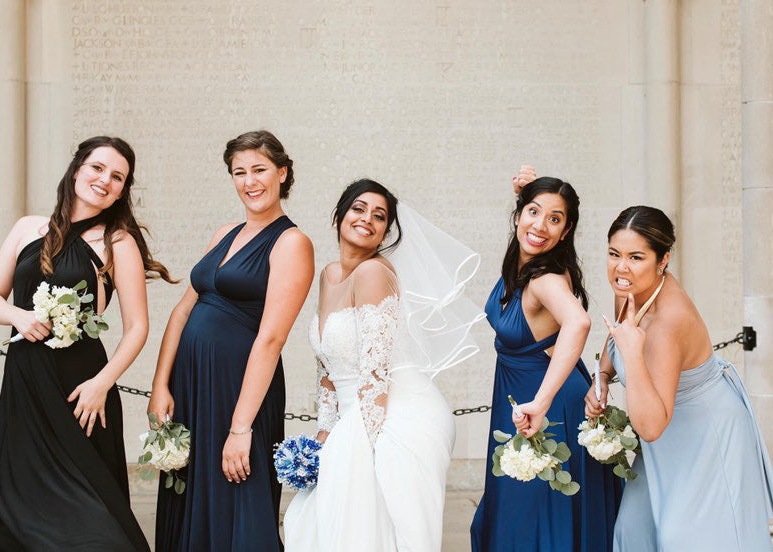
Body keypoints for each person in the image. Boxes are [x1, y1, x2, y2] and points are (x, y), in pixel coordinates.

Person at [0, 136, 173, 551]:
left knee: (87, 517)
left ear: (122, 191)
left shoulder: (118, 242)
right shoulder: (27, 228)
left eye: (117, 178)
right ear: (77, 169)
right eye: (97, 168)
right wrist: (17, 315)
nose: (105, 181)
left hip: (81, 394)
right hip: (23, 389)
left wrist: (101, 384)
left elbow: (138, 327)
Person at [283, 179, 485, 551]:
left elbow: (375, 370)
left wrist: (366, 446)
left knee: (358, 524)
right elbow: (327, 365)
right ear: (339, 215)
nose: (367, 220)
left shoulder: (374, 273)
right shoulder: (329, 275)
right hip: (354, 413)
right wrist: (324, 432)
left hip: (396, 413)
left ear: (384, 232)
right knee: (315, 521)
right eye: (358, 209)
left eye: (380, 216)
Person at [149, 130, 314, 551]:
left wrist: (240, 427)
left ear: (282, 172)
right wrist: (160, 384)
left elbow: (272, 338)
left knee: (236, 492)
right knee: (190, 493)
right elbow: (183, 309)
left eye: (259, 169)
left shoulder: (292, 242)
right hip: (191, 388)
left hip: (239, 391)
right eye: (239, 172)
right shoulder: (224, 231)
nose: (249, 181)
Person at [587, 205, 773, 551]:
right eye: (614, 254)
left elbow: (651, 426)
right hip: (662, 437)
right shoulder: (628, 288)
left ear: (663, 260)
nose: (621, 267)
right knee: (633, 531)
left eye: (636, 257)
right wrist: (600, 375)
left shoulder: (667, 324)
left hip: (706, 434)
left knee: (686, 540)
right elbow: (618, 334)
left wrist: (630, 355)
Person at [471, 167, 622, 552]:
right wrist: (525, 191)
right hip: (523, 396)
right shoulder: (524, 267)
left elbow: (579, 322)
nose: (540, 225)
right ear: (518, 215)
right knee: (522, 508)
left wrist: (541, 402)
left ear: (566, 232)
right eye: (533, 212)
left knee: (535, 514)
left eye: (555, 219)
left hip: (547, 404)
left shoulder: (545, 278)